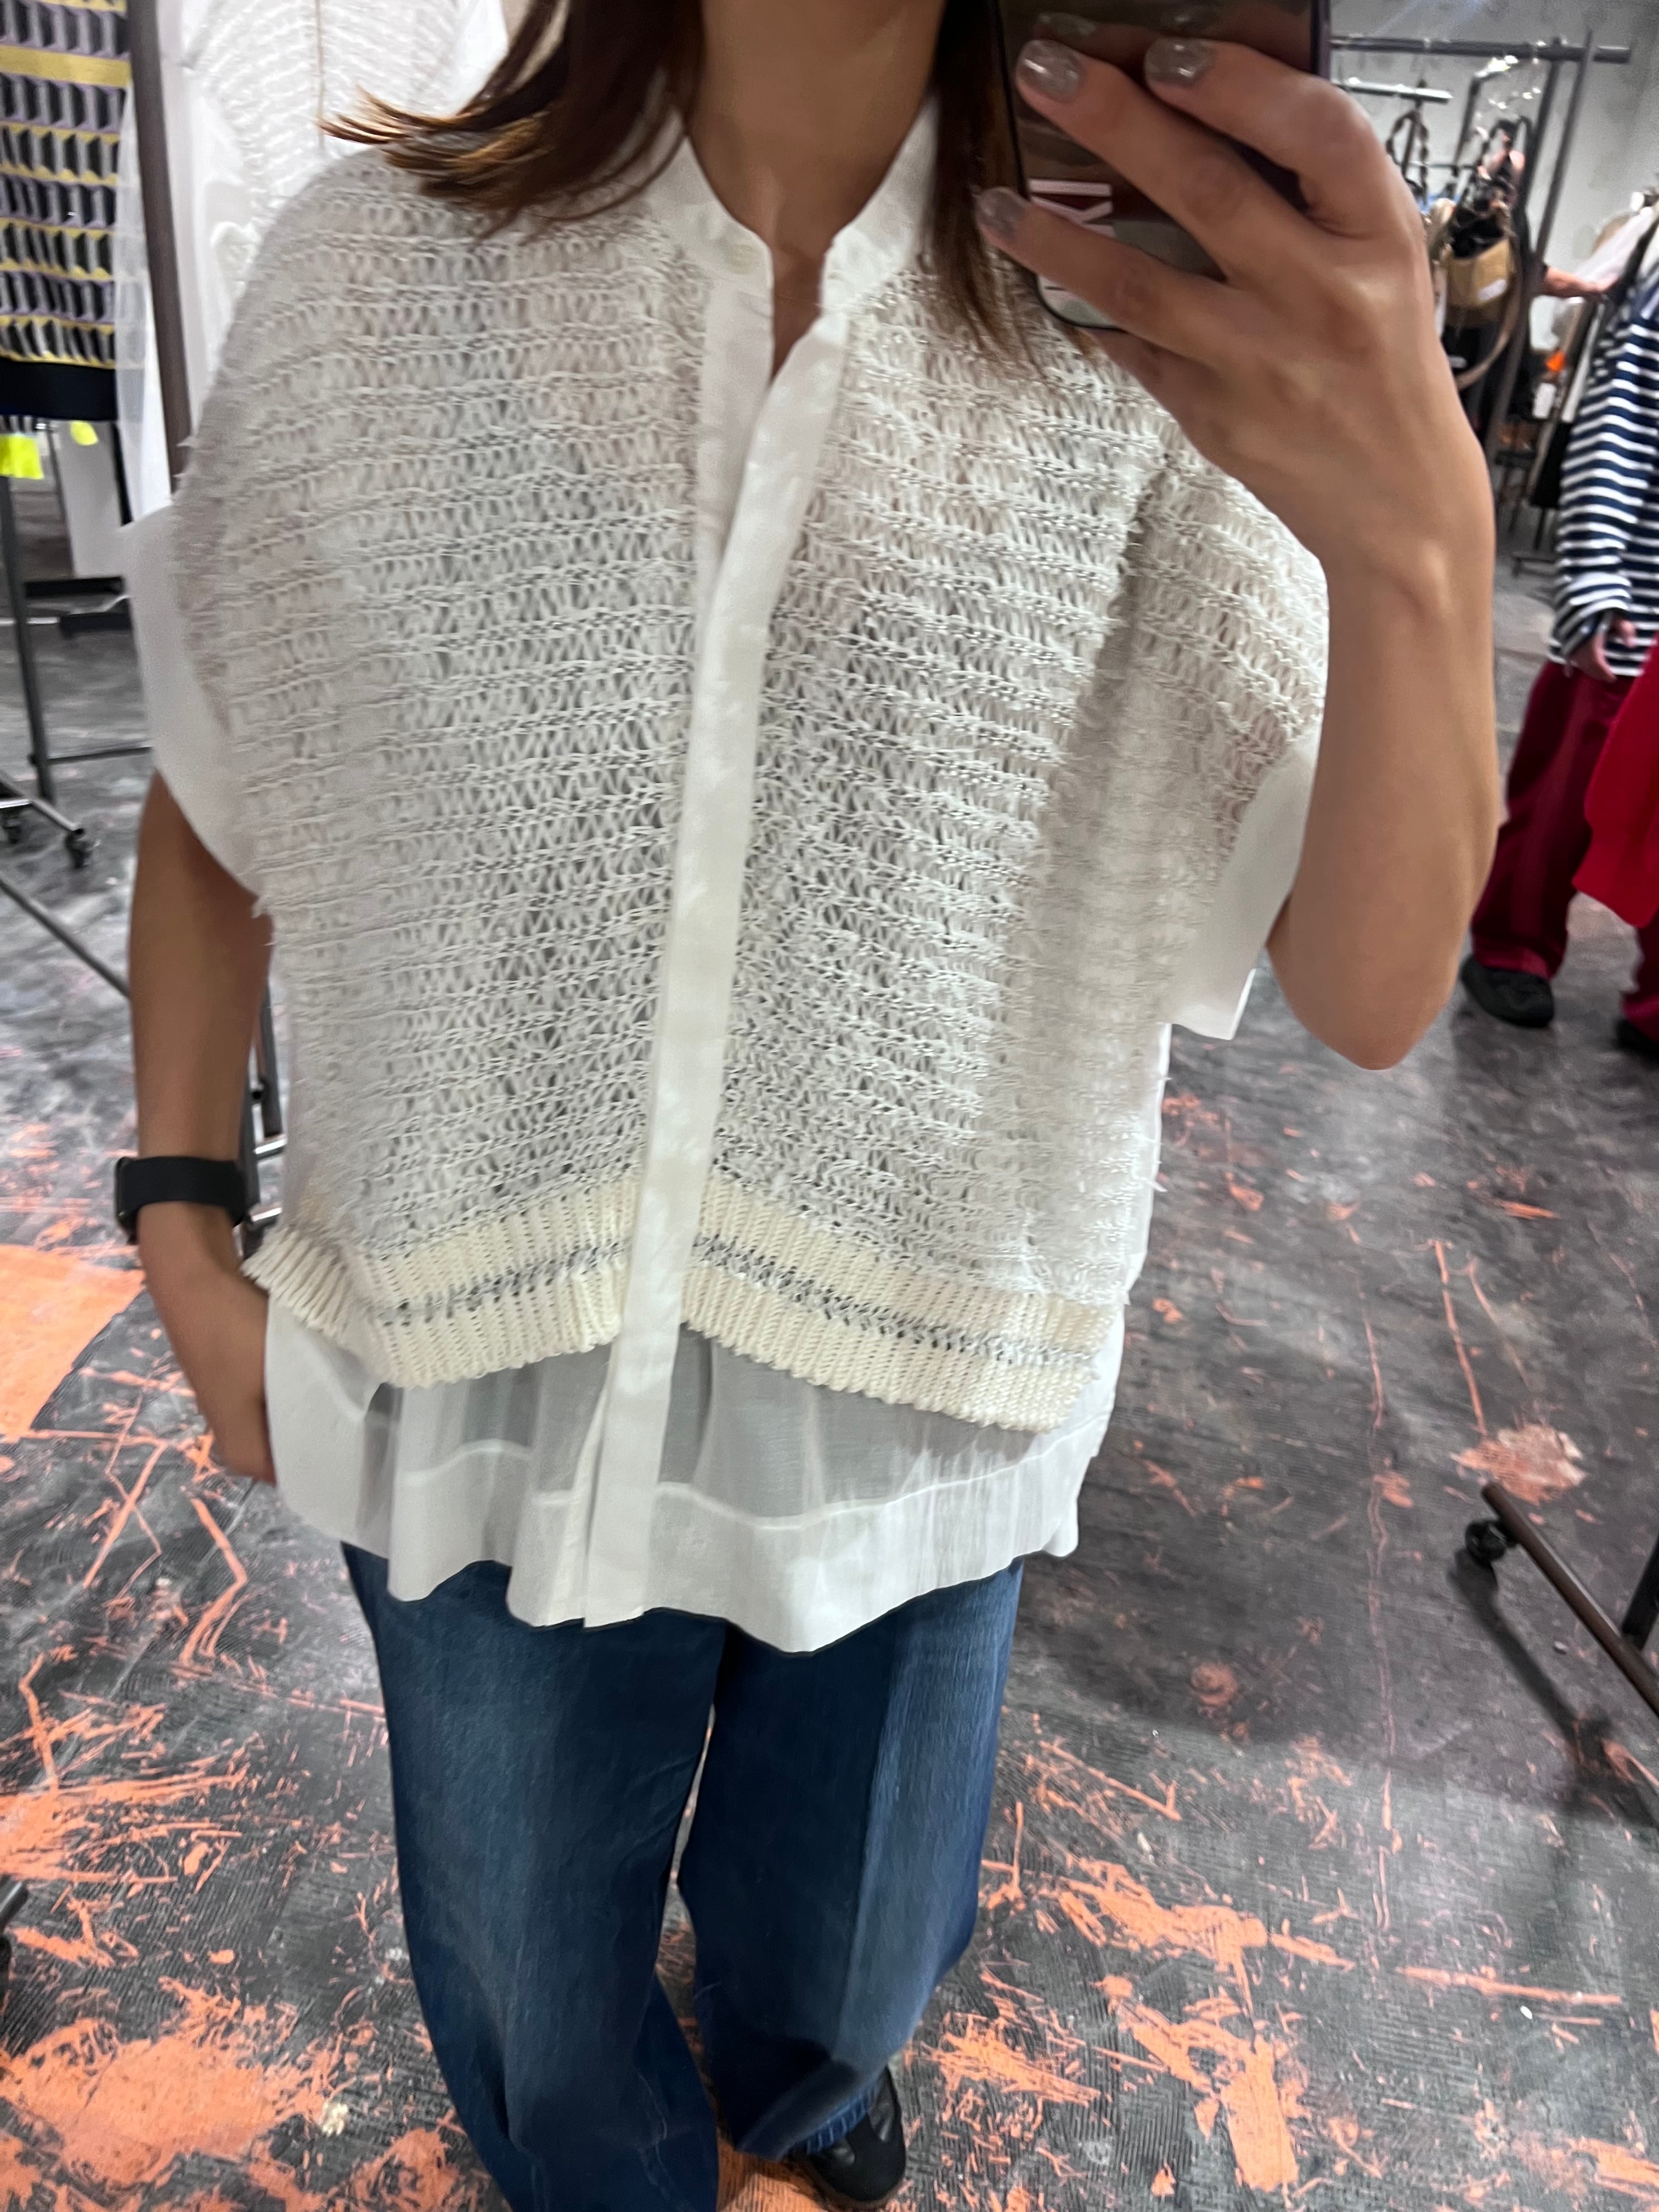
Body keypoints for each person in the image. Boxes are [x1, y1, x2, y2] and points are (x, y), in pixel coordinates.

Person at [122, 4, 1496, 2205]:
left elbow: (1370, 983)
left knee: (848, 1976)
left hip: (920, 1388)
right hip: (477, 1369)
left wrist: (1421, 540)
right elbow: (228, 768)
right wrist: (184, 1224)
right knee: (530, 2014)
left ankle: (803, 2106)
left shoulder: (1145, 329)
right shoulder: (377, 271)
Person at [1463, 254, 1659, 1059]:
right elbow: (1620, 431)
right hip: (1637, 616)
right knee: (1566, 798)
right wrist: (1594, 579)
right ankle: (1513, 946)